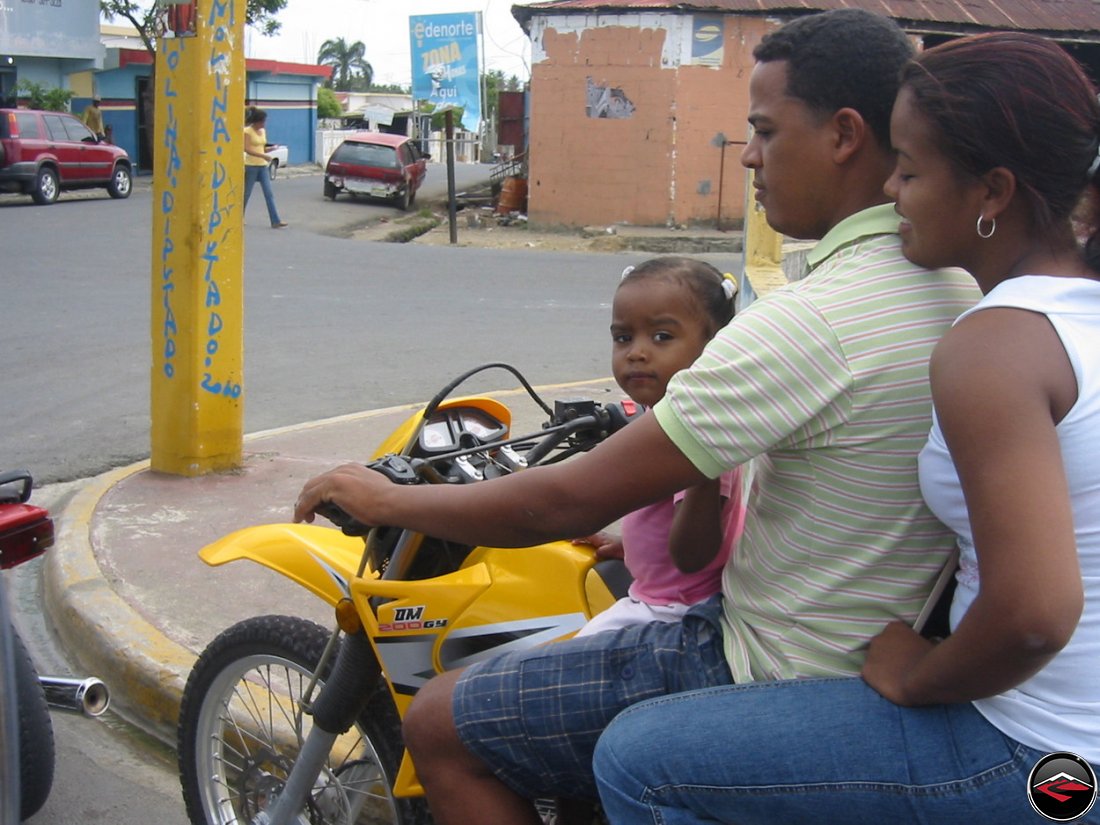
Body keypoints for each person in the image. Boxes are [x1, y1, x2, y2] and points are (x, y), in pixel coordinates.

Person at [292, 10, 978, 823]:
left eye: (763, 130)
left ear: (844, 135)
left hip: (759, 661)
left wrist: (388, 497)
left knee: (441, 720)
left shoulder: (813, 319)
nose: (751, 156)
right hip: (854, 634)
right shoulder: (950, 286)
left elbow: (561, 500)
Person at [592, 32, 1100, 824]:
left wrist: (917, 675)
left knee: (639, 758)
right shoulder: (1074, 316)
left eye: (912, 169)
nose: (892, 189)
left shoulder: (999, 341)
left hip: (1040, 755)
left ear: (993, 193)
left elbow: (1034, 613)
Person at [573, 257, 745, 638]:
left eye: (662, 337)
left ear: (716, 346)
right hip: (667, 593)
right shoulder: (671, 415)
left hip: (674, 612)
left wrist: (700, 467)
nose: (636, 352)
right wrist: (629, 546)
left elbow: (693, 556)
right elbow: (670, 520)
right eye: (623, 337)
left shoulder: (697, 430)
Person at [243, 107, 287, 228]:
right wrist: (263, 155)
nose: (264, 124)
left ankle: (275, 220)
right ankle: (239, 217)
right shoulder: (247, 131)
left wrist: (270, 149)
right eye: (262, 121)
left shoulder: (262, 132)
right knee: (246, 193)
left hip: (263, 166)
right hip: (251, 166)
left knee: (269, 193)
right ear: (256, 121)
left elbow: (261, 148)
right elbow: (247, 149)